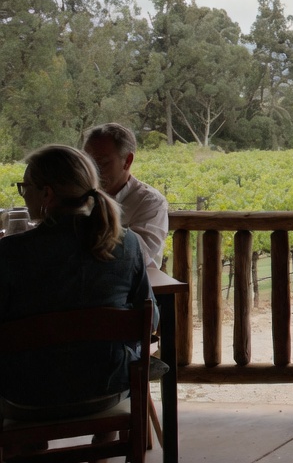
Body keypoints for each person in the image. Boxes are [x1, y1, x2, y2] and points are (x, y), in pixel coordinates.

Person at [0, 145, 155, 423]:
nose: (24, 196)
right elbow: (151, 318)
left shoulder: (10, 253)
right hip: (110, 390)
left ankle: (29, 446)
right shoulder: (127, 243)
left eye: (25, 188)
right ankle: (102, 447)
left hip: (27, 398)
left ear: (46, 193)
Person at [83, 123, 170, 268]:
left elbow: (139, 256)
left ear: (127, 161)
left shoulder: (149, 202)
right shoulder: (78, 196)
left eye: (102, 163)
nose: (92, 171)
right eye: (86, 163)